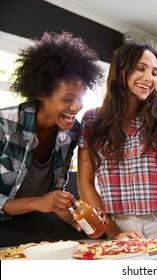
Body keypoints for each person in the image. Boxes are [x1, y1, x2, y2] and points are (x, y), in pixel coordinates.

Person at [77, 43, 157, 243]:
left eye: (155, 73)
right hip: (118, 225)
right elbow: (85, 182)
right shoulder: (92, 120)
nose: (149, 78)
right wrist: (113, 231)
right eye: (140, 68)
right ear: (121, 70)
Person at [0, 31, 103, 246]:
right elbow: (42, 202)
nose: (75, 108)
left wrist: (80, 220)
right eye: (67, 99)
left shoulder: (72, 131)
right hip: (5, 223)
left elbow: (54, 194)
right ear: (41, 92)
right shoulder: (4, 124)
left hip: (30, 222)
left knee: (86, 243)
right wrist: (38, 203)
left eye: (80, 99)